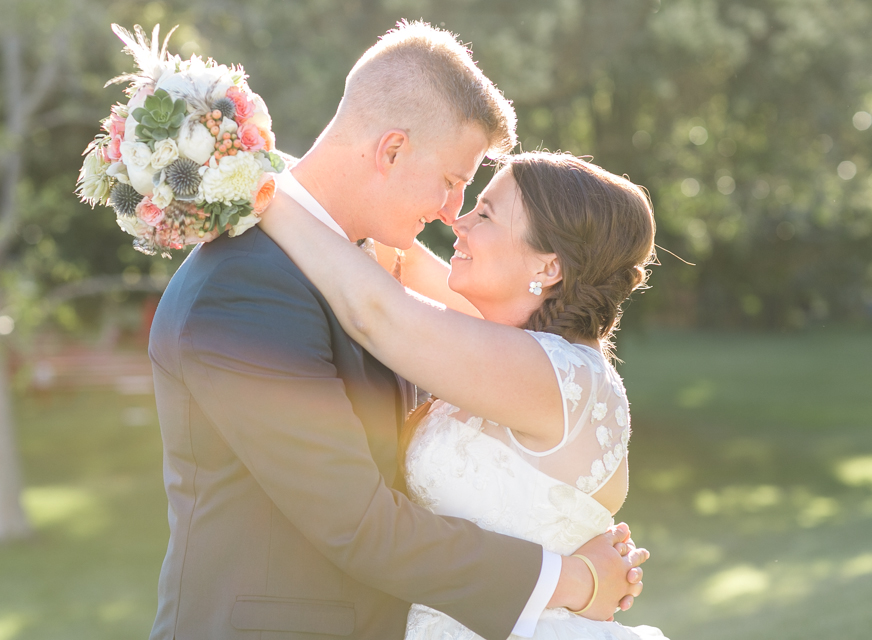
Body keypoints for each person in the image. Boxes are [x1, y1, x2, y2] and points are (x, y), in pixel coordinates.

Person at [148, 21, 647, 640]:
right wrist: (572, 577)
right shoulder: (248, 287)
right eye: (451, 182)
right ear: (390, 150)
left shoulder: (362, 278)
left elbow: (392, 310)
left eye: (474, 202)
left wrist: (564, 529)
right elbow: (356, 522)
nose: (451, 214)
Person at [257, 150, 668, 639]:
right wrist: (252, 143)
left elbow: (378, 313)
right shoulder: (512, 346)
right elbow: (393, 255)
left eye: (486, 214)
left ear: (549, 264)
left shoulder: (555, 376)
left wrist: (254, 189)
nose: (458, 220)